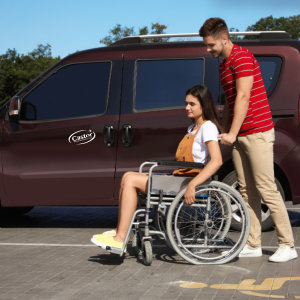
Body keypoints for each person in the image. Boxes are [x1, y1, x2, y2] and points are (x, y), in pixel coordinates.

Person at [199, 17, 297, 263]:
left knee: (266, 188)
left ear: (224, 38)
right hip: (241, 134)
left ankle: (288, 244)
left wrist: (232, 133)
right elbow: (232, 102)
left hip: (258, 132)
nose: (207, 49)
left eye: (210, 45)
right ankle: (253, 243)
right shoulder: (224, 64)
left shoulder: (242, 57)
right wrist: (227, 130)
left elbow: (243, 96)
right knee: (246, 190)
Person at [91, 84, 223, 251]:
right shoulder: (192, 128)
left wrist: (193, 184)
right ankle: (119, 232)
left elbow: (216, 161)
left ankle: (120, 238)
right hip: (180, 177)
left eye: (192, 104)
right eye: (186, 103)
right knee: (127, 176)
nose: (187, 107)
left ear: (204, 105)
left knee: (131, 180)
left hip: (188, 181)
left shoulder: (208, 127)